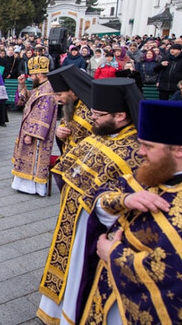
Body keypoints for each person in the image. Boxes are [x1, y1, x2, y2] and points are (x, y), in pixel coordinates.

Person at [81, 100, 182, 324]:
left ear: (180, 149)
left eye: (148, 146)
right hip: (111, 295)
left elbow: (178, 281)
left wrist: (113, 254)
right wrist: (127, 199)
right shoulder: (158, 169)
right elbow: (102, 194)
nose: (140, 152)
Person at [37, 78, 145, 325]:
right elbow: (65, 166)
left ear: (120, 115)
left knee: (83, 276)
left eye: (98, 114)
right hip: (71, 221)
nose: (92, 118)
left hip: (96, 232)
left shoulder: (136, 149)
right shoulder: (100, 134)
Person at [11, 56, 57, 196]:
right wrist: (22, 85)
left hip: (36, 135)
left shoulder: (47, 91)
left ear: (39, 74)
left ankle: (32, 187)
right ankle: (24, 185)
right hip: (28, 130)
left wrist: (31, 134)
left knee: (35, 158)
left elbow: (42, 116)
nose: (30, 78)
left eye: (32, 75)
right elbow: (27, 98)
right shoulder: (41, 87)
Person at [46, 65, 94, 158]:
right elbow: (65, 127)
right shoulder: (69, 105)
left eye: (59, 94)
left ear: (72, 91)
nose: (57, 99)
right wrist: (59, 133)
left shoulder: (92, 109)